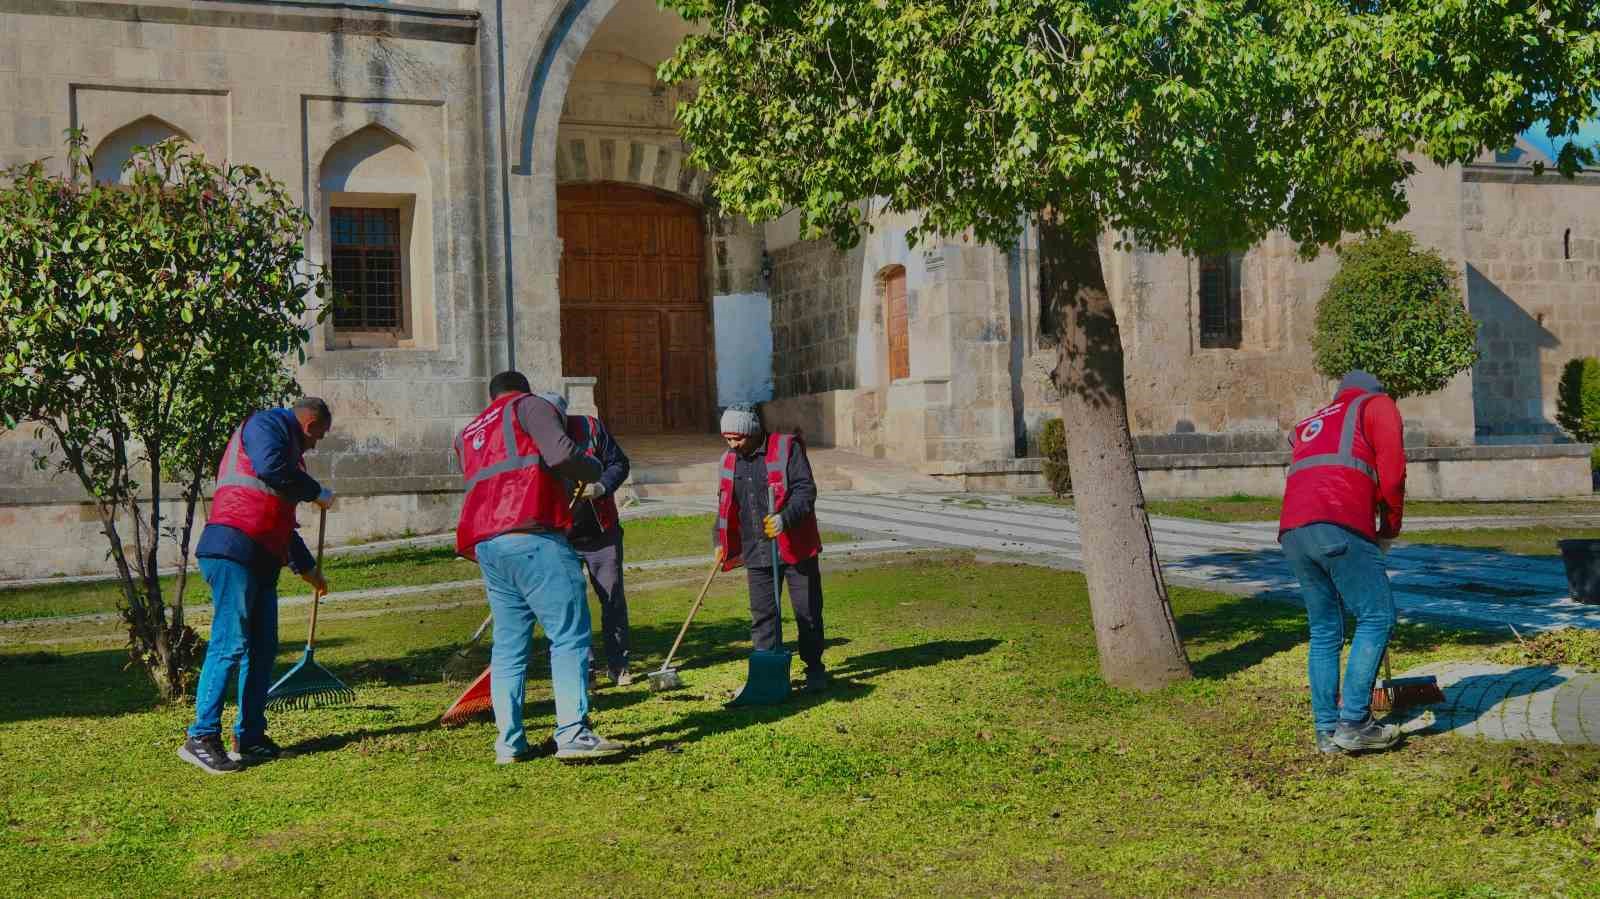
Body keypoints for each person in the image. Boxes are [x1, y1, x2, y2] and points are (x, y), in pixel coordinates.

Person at [455, 371, 623, 763]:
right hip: (534, 534)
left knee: (509, 647)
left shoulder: (470, 430)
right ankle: (573, 733)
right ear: (524, 391)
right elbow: (562, 453)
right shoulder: (531, 406)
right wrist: (593, 470)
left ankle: (509, 743)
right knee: (568, 636)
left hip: (489, 544)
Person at [179, 397, 335, 774]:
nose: (316, 445)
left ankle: (249, 737)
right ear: (310, 423)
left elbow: (279, 518)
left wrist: (308, 569)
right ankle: (200, 737)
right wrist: (315, 491)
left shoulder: (288, 455)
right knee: (230, 643)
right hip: (233, 548)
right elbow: (268, 469)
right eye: (319, 436)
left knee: (263, 649)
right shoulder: (267, 426)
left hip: (261, 555)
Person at [1278, 370, 1407, 754]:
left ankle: (1326, 732)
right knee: (1376, 616)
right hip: (1340, 522)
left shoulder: (1311, 422)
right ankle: (1354, 722)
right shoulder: (1377, 404)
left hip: (1293, 533)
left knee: (1324, 631)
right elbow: (1393, 472)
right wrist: (1390, 528)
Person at [713, 402, 830, 691]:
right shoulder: (729, 461)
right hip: (757, 550)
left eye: (737, 438)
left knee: (808, 612)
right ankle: (768, 672)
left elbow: (806, 491)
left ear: (752, 431)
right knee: (763, 615)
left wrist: (784, 519)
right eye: (727, 439)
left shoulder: (787, 448)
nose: (732, 445)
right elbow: (726, 504)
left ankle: (814, 669)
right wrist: (719, 539)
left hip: (795, 547)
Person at [536, 392, 634, 687]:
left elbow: (619, 463)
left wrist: (602, 487)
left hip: (601, 532)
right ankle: (585, 668)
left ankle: (619, 665)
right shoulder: (534, 437)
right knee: (572, 603)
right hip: (559, 536)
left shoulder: (590, 428)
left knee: (612, 598)